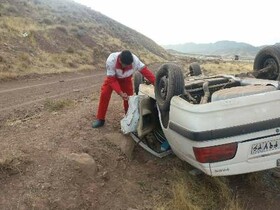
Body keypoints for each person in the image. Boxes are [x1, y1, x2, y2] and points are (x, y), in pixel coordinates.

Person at [92, 50, 156, 128]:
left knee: (129, 98)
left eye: (127, 65)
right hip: (113, 78)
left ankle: (128, 117)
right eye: (123, 64)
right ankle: (100, 119)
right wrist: (120, 93)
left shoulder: (135, 61)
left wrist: (156, 83)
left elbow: (146, 72)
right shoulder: (111, 60)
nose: (124, 67)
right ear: (119, 59)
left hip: (126, 79)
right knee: (104, 94)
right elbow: (111, 80)